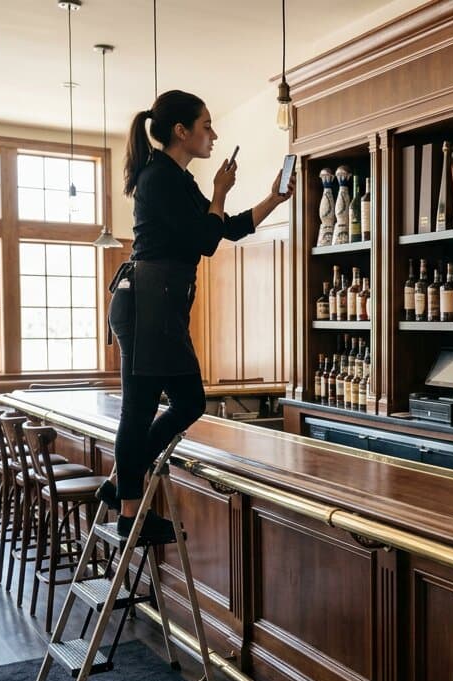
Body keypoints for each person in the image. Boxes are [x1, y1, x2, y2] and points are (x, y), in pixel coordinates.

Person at [101, 90, 294, 542]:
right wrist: (220, 192)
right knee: (163, 406)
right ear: (181, 131)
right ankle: (130, 508)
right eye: (206, 125)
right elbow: (206, 240)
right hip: (151, 303)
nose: (214, 134)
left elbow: (223, 228)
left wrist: (272, 200)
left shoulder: (177, 179)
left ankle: (121, 487)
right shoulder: (160, 178)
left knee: (158, 406)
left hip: (154, 302)